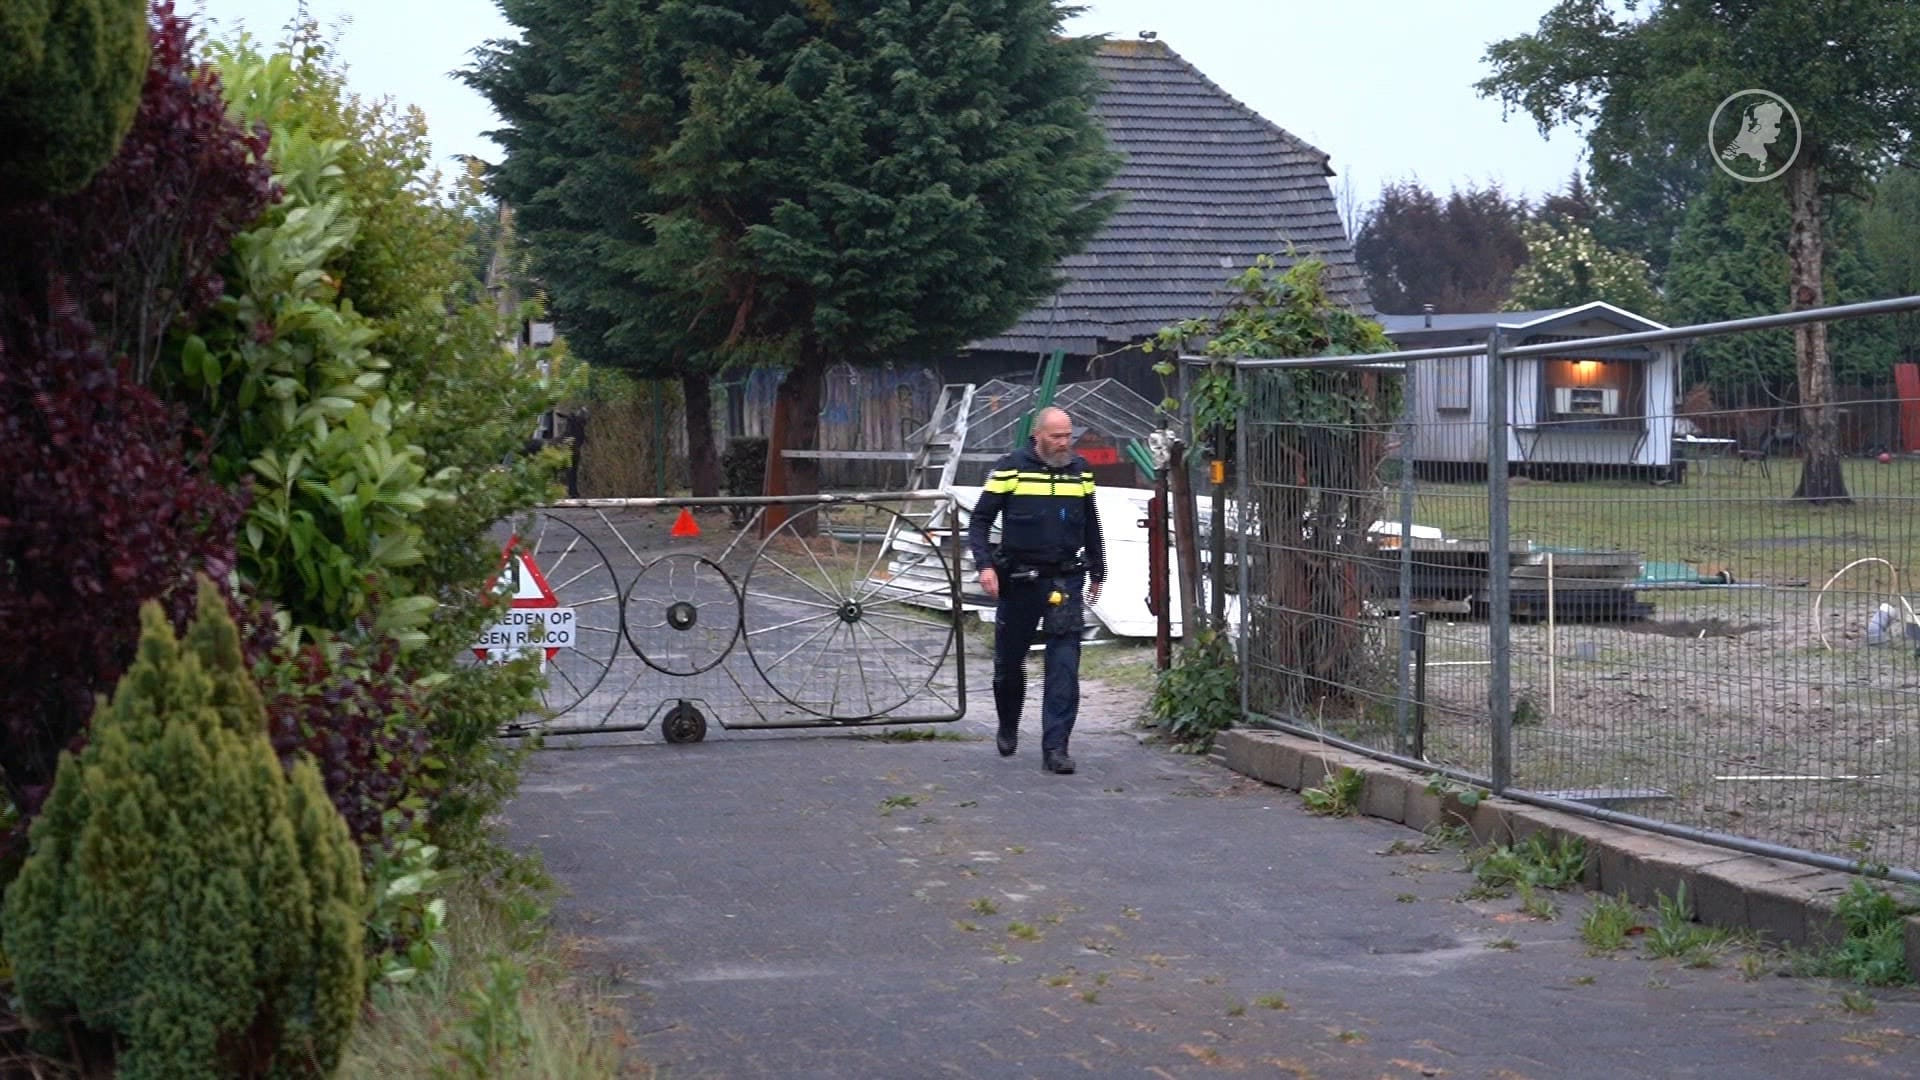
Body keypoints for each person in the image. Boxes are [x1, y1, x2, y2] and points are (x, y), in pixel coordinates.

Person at [968, 406, 1106, 774]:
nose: (1064, 443)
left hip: (1065, 579)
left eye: (1068, 436)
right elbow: (980, 520)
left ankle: (1056, 749)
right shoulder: (1010, 467)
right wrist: (984, 566)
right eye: (1056, 436)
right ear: (1038, 435)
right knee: (1009, 663)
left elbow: (1091, 522)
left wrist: (1099, 571)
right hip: (1019, 579)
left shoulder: (1080, 471)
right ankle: (1008, 723)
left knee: (1064, 666)